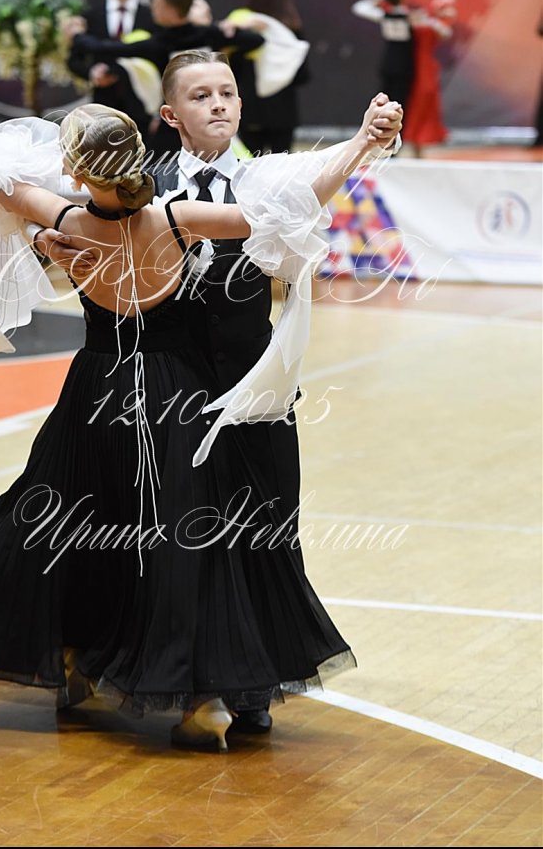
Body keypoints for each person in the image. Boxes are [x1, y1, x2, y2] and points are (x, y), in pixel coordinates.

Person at [0, 90, 401, 753]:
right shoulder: (178, 217)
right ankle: (198, 699)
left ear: (74, 171)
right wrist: (360, 145)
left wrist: (39, 234)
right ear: (138, 155)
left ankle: (77, 658)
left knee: (66, 518)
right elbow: (293, 204)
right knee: (181, 543)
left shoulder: (64, 215)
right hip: (174, 395)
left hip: (96, 392)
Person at [28, 51, 404, 738]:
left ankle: (251, 679)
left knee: (263, 525)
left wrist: (363, 140)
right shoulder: (142, 182)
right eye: (201, 95)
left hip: (250, 386)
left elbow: (310, 190)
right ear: (171, 114)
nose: (219, 104)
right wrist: (44, 238)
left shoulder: (265, 177)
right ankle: (135, 662)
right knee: (154, 536)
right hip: (166, 396)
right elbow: (67, 215)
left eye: (227, 92)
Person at [67, 0, 265, 160]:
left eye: (157, 3)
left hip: (179, 123)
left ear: (171, 9)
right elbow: (254, 40)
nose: (153, 7)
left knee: (162, 165)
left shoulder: (162, 42)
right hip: (182, 122)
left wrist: (76, 35)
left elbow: (107, 48)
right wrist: (233, 30)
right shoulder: (209, 34)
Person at [67, 0, 155, 141]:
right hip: (102, 106)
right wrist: (92, 73)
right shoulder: (91, 15)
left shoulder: (150, 15)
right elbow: (74, 60)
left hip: (142, 106)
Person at [224, 0, 311, 155]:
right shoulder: (292, 27)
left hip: (250, 108)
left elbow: (232, 68)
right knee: (281, 166)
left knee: (249, 164)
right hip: (283, 112)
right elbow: (303, 76)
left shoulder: (243, 25)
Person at [401, 0, 457, 157]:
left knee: (426, 102)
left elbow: (445, 32)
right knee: (415, 103)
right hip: (413, 66)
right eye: (445, 7)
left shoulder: (436, 25)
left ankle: (420, 141)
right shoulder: (421, 19)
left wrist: (430, 20)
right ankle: (413, 140)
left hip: (425, 68)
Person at [352, 0, 415, 111]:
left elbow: (359, 8)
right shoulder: (408, 16)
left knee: (385, 95)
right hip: (404, 63)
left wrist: (376, 0)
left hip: (388, 61)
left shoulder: (384, 15)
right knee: (399, 98)